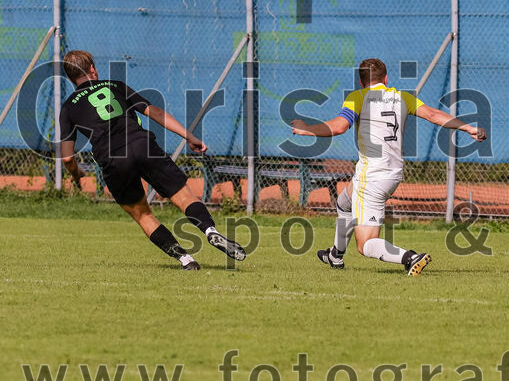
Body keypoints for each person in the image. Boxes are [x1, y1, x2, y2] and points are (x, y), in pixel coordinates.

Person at [291, 58, 486, 275]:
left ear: (361, 82)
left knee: (365, 244)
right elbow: (433, 115)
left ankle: (410, 258)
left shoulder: (358, 97)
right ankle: (335, 254)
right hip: (392, 174)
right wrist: (468, 128)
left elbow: (339, 127)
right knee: (344, 203)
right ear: (386, 78)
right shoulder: (402, 97)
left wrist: (307, 129)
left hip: (372, 177)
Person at [58, 50, 246, 270]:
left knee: (143, 214)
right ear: (92, 68)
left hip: (112, 159)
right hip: (142, 145)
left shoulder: (68, 107)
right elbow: (154, 112)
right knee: (183, 196)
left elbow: (68, 157)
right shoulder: (115, 86)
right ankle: (210, 231)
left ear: (70, 77)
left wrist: (76, 174)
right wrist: (189, 136)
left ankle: (186, 260)